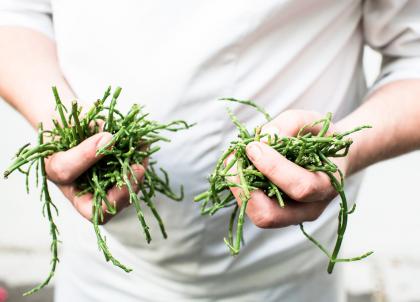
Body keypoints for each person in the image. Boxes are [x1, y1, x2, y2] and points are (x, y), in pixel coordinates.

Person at [1, 1, 419, 301]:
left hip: (288, 282)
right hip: (100, 270)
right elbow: (16, 13)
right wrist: (56, 123)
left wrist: (343, 147)